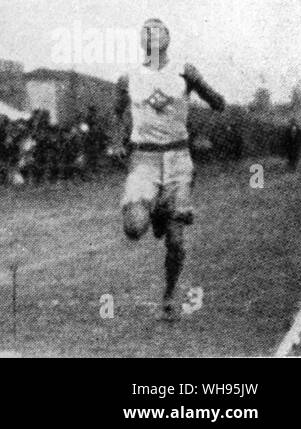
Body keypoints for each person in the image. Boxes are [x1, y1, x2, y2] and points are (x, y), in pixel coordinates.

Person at [114, 18, 225, 321]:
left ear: (167, 39)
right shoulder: (129, 78)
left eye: (157, 32)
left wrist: (199, 83)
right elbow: (117, 112)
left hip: (177, 160)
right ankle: (156, 212)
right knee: (135, 228)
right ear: (140, 41)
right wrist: (118, 141)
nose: (151, 36)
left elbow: (219, 104)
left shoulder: (184, 73)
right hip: (144, 160)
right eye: (146, 32)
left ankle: (168, 295)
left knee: (175, 241)